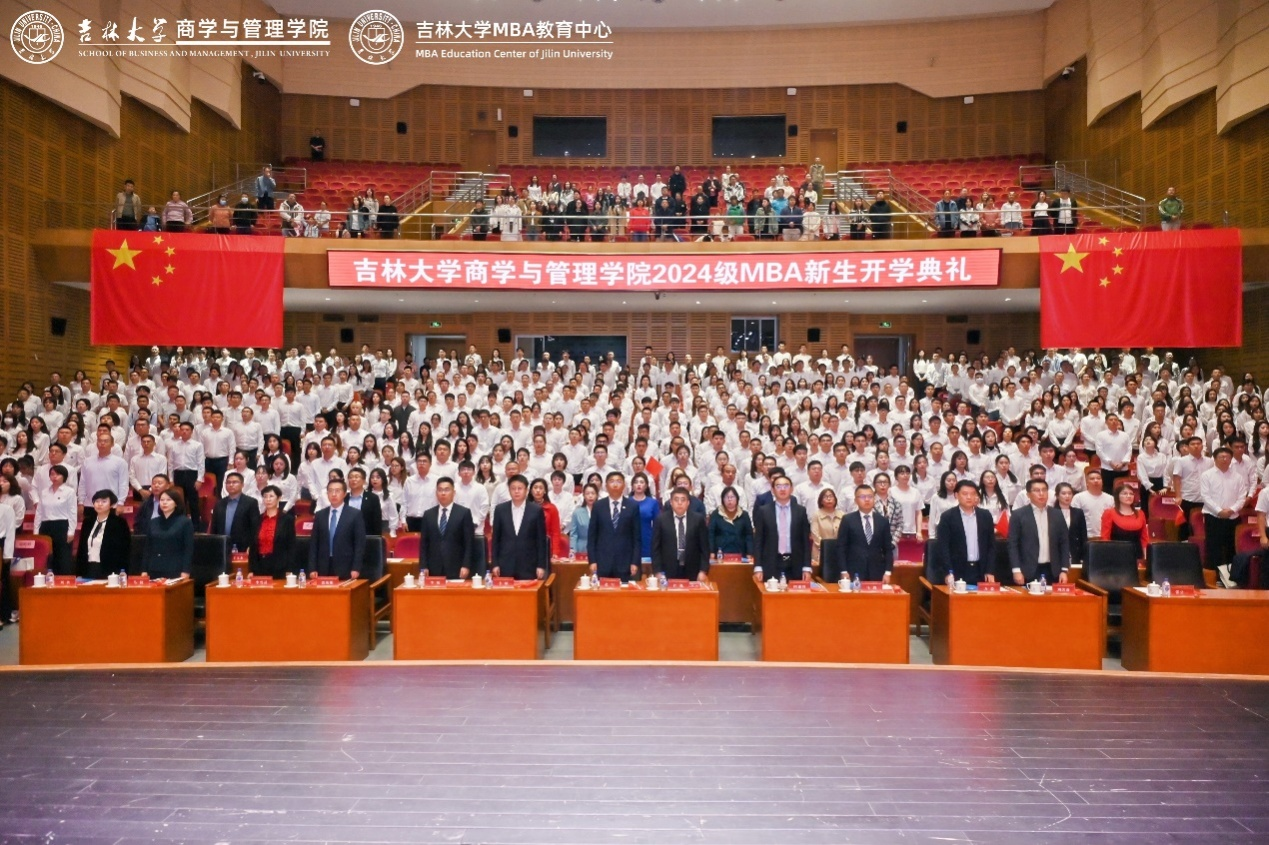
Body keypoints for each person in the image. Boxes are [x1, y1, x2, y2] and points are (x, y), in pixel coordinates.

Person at [1006, 479, 1071, 585]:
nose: (1041, 493)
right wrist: (1016, 570)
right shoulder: (1018, 515)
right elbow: (1012, 544)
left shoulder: (1057, 514)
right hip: (1027, 570)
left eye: (1044, 490)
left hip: (1053, 570)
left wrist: (1064, 570)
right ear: (1028, 494)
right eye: (1036, 490)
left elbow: (1064, 542)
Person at [1200, 446, 1248, 587]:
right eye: (1221, 456)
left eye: (1227, 457)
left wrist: (1232, 510)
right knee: (1213, 548)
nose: (1224, 459)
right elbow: (1205, 496)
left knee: (1231, 548)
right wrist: (1219, 510)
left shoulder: (1238, 477)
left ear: (1231, 459)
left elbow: (1242, 497)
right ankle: (1213, 578)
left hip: (1233, 518)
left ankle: (1230, 580)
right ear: (1214, 459)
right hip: (1213, 517)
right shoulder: (1207, 475)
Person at [934, 480, 997, 584]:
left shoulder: (985, 516)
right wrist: (948, 572)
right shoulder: (947, 517)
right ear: (956, 495)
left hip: (981, 570)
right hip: (956, 571)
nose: (969, 497)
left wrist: (989, 570)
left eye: (973, 494)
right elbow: (943, 547)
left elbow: (991, 546)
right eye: (965, 494)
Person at [752, 474, 811, 583]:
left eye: (786, 486)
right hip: (771, 562)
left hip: (795, 563)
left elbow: (805, 541)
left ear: (792, 489)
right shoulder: (763, 511)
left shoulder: (800, 511)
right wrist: (758, 567)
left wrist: (807, 567)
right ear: (772, 490)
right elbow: (758, 541)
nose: (782, 489)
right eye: (778, 486)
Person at [490, 474, 549, 580]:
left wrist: (541, 565)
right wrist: (495, 564)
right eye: (513, 488)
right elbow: (495, 539)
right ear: (509, 490)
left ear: (526, 490)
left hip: (529, 565)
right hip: (505, 564)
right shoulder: (500, 510)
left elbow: (541, 541)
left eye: (520, 488)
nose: (516, 491)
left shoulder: (536, 510)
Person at [587, 471, 643, 581]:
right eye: (612, 481)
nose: (615, 484)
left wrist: (635, 562)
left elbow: (637, 538)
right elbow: (592, 536)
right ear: (606, 485)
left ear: (624, 485)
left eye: (619, 481)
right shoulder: (598, 506)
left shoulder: (632, 506)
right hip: (602, 562)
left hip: (625, 563)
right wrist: (592, 560)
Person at [309, 478, 366, 580]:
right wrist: (312, 568)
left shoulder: (355, 514)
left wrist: (356, 568)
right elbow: (314, 543)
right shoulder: (320, 515)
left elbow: (359, 544)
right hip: (323, 567)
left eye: (337, 491)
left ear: (344, 494)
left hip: (346, 567)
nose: (334, 494)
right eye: (330, 491)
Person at [420, 476, 475, 579]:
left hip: (457, 567)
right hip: (433, 567)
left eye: (447, 490)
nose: (443, 493)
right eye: (440, 490)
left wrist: (466, 565)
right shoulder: (428, 514)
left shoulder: (464, 513)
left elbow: (469, 543)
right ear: (436, 493)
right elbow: (424, 543)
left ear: (454, 493)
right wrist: (423, 566)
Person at [651, 488, 711, 581]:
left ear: (688, 503)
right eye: (676, 500)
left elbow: (704, 548)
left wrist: (703, 570)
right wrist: (657, 571)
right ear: (671, 502)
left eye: (683, 500)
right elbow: (655, 548)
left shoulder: (698, 519)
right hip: (668, 569)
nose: (679, 503)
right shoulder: (661, 520)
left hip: (693, 569)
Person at [75, 489, 131, 579]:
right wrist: (79, 572)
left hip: (110, 569)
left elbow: (124, 550)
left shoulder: (119, 523)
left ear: (111, 504)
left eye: (104, 501)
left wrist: (121, 572)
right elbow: (81, 548)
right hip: (88, 568)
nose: (99, 504)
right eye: (97, 501)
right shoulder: (88, 522)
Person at [34, 465, 77, 575]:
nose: (54, 477)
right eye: (52, 474)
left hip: (62, 525)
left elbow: (72, 512)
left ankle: (63, 580)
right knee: (47, 556)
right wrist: (36, 531)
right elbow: (39, 512)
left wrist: (71, 531)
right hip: (45, 525)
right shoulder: (44, 492)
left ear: (64, 476)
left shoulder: (69, 492)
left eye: (58, 474)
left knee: (62, 556)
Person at [142, 488, 193, 579]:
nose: (164, 502)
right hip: (154, 568)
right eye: (162, 500)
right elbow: (147, 548)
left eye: (168, 500)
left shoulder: (185, 522)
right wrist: (144, 570)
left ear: (176, 503)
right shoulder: (153, 522)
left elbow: (188, 549)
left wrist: (186, 570)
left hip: (175, 568)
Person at [210, 472, 260, 559]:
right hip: (222, 546)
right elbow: (214, 527)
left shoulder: (251, 503)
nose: (231, 485)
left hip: (243, 547)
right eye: (228, 482)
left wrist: (252, 546)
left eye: (235, 482)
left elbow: (255, 527)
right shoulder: (219, 503)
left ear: (242, 485)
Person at [254, 485, 296, 578]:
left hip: (280, 566)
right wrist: (251, 569)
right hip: (260, 566)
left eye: (271, 496)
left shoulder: (287, 520)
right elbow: (253, 546)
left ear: (279, 498)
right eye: (265, 496)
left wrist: (289, 569)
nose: (268, 499)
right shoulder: (258, 519)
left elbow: (291, 545)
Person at [1100, 481, 1149, 559]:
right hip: (1116, 555)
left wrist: (1146, 558)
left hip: (1137, 555)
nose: (1128, 496)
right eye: (1125, 494)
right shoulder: (1109, 513)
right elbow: (1105, 538)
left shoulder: (1140, 513)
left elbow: (1144, 539)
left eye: (1131, 494)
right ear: (1117, 496)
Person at [1053, 482, 1088, 568]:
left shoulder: (1078, 512)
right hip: (1057, 552)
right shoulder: (1051, 512)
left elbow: (1083, 535)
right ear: (1057, 496)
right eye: (1064, 493)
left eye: (1069, 493)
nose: (1067, 496)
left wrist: (1083, 556)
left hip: (1075, 551)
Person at [809, 488, 843, 572]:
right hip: (820, 551)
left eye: (831, 496)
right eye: (825, 497)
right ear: (821, 501)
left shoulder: (842, 515)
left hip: (838, 551)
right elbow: (815, 534)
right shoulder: (816, 515)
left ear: (835, 499)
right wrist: (827, 547)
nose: (829, 499)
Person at [570, 483, 598, 557]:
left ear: (597, 495)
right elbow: (574, 534)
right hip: (581, 548)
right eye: (587, 493)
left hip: (598, 548)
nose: (590, 496)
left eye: (593, 493)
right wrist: (573, 550)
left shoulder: (603, 511)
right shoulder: (577, 512)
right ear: (584, 496)